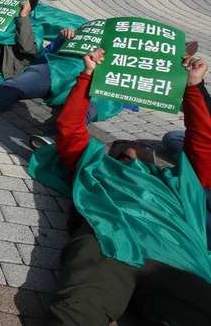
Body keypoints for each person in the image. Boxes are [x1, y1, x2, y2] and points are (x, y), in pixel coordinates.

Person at [33, 50, 211, 325]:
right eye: (118, 147)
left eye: (142, 148)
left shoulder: (179, 180)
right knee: (74, 314)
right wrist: (88, 76)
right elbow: (70, 127)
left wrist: (193, 86)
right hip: (110, 243)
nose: (130, 145)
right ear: (110, 154)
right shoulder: (94, 166)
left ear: (154, 158)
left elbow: (203, 143)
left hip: (178, 258)